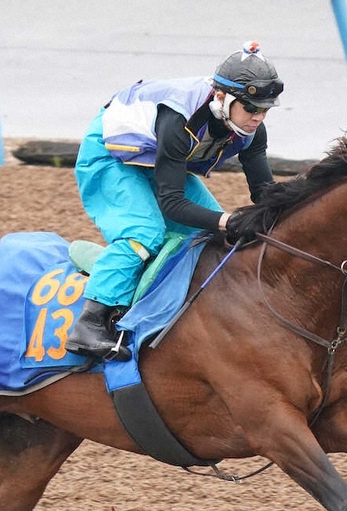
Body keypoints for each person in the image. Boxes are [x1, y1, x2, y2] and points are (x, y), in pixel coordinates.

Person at [65, 41, 284, 361]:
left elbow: (264, 194)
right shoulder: (180, 120)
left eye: (265, 109)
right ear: (221, 98)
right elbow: (172, 203)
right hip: (110, 156)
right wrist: (228, 219)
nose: (258, 117)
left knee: (220, 235)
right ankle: (90, 322)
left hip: (158, 160)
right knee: (144, 232)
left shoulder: (252, 131)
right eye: (251, 108)